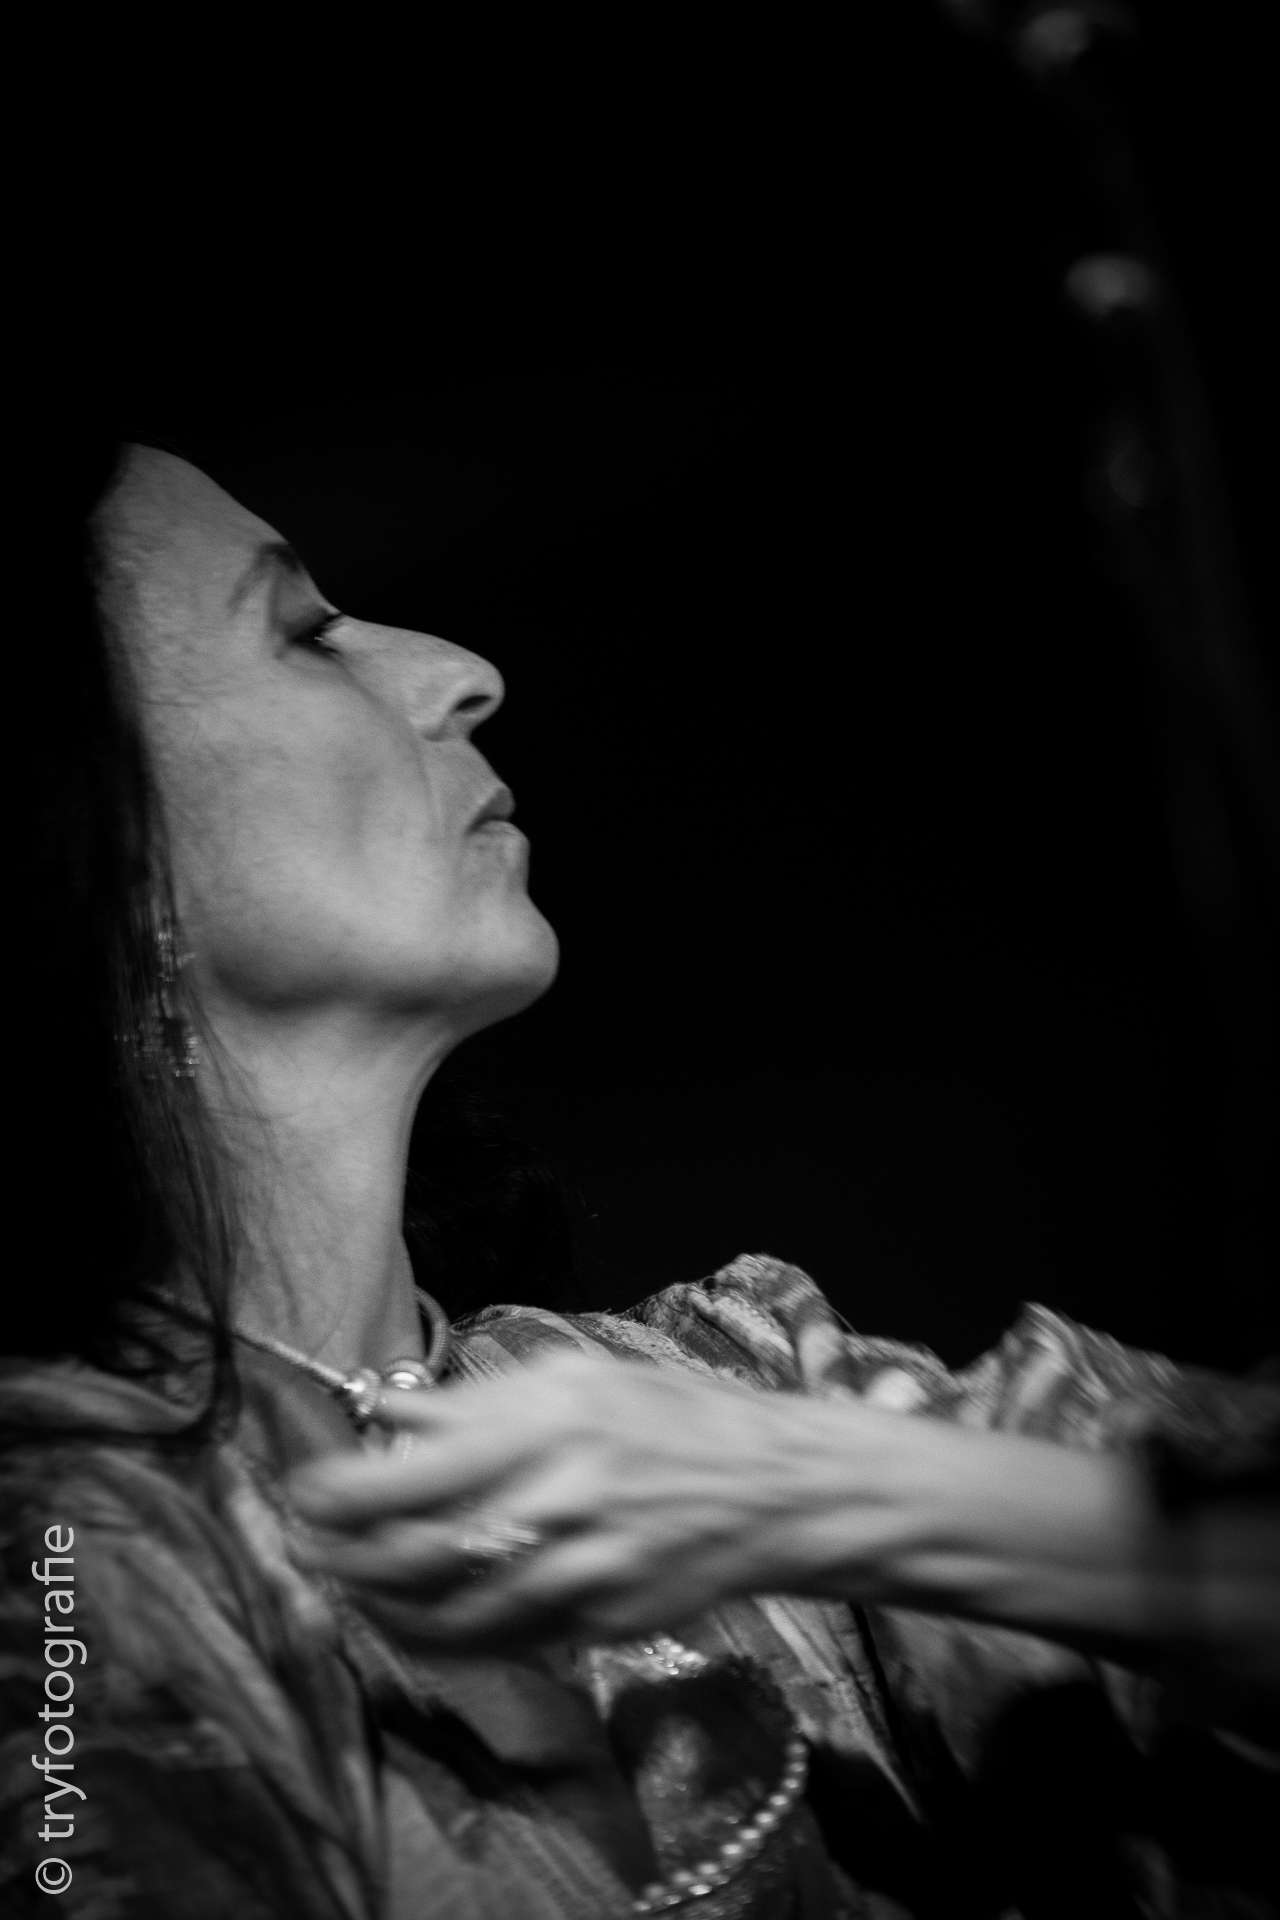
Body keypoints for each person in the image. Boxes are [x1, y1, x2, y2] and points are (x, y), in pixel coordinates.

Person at [2, 437, 1277, 1920]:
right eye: (304, 632)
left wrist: (867, 1494)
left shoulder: (732, 1389)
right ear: (83, 839)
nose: (463, 672)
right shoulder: (58, 1560)